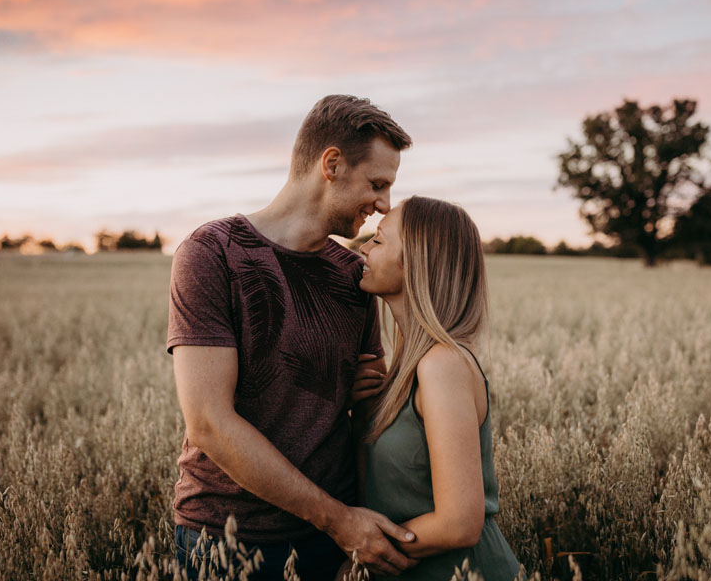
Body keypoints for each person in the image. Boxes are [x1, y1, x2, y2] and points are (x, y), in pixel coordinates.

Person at [167, 95, 417, 580]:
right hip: (227, 538)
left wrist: (363, 395)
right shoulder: (212, 253)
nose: (385, 204)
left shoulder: (356, 277)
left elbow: (361, 416)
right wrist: (340, 521)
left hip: (330, 545)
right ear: (332, 164)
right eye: (377, 183)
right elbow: (209, 423)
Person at [351, 196, 523, 579]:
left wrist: (361, 561)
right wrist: (359, 413)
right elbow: (380, 495)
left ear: (414, 261)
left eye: (378, 240)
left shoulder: (442, 364)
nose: (363, 247)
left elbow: (459, 523)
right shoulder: (405, 369)